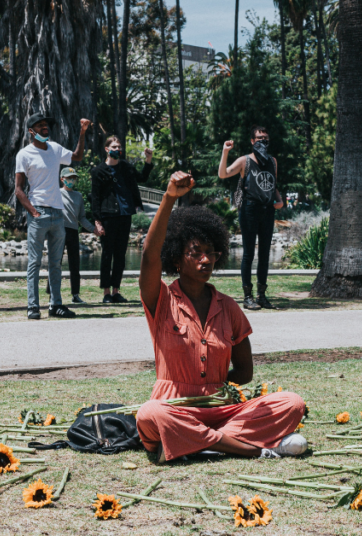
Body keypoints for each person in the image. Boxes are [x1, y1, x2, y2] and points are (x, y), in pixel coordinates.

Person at [134, 170, 307, 463]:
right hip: (174, 407)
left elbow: (245, 372)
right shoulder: (161, 299)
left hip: (222, 409)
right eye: (196, 252)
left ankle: (201, 443)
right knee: (150, 413)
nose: (206, 259)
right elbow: (150, 255)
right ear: (176, 257)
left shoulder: (228, 307)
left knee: (292, 403)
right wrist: (168, 198)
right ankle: (251, 448)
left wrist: (215, 389)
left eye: (211, 252)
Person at [14, 113, 90, 319]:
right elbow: (19, 189)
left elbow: (77, 156)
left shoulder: (55, 149)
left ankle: (56, 305)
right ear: (31, 131)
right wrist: (33, 211)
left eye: (46, 125)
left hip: (58, 214)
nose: (45, 128)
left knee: (56, 264)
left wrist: (82, 133)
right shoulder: (24, 154)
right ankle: (32, 307)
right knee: (34, 262)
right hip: (38, 212)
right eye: (40, 125)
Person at [217, 126, 285, 310]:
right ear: (252, 141)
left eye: (266, 138)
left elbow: (273, 184)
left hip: (267, 210)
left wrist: (279, 200)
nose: (263, 141)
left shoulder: (273, 161)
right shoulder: (244, 161)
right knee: (248, 253)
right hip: (249, 209)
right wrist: (225, 151)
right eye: (259, 138)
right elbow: (222, 174)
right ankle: (247, 297)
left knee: (264, 254)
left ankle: (262, 296)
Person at [90, 136, 152, 303]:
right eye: (114, 146)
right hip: (108, 216)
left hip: (125, 215)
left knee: (120, 255)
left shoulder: (125, 167)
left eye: (119, 147)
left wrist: (148, 160)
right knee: (107, 255)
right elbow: (95, 198)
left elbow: (142, 177)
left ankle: (116, 291)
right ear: (107, 149)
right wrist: (97, 221)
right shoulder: (98, 171)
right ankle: (106, 293)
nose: (117, 149)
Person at [59, 167, 95, 303]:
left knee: (75, 264)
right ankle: (53, 294)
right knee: (56, 263)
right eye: (69, 178)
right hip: (59, 231)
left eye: (73, 178)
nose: (72, 180)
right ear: (62, 179)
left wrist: (93, 229)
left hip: (73, 231)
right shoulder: (56, 193)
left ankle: (75, 294)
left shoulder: (78, 196)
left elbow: (82, 218)